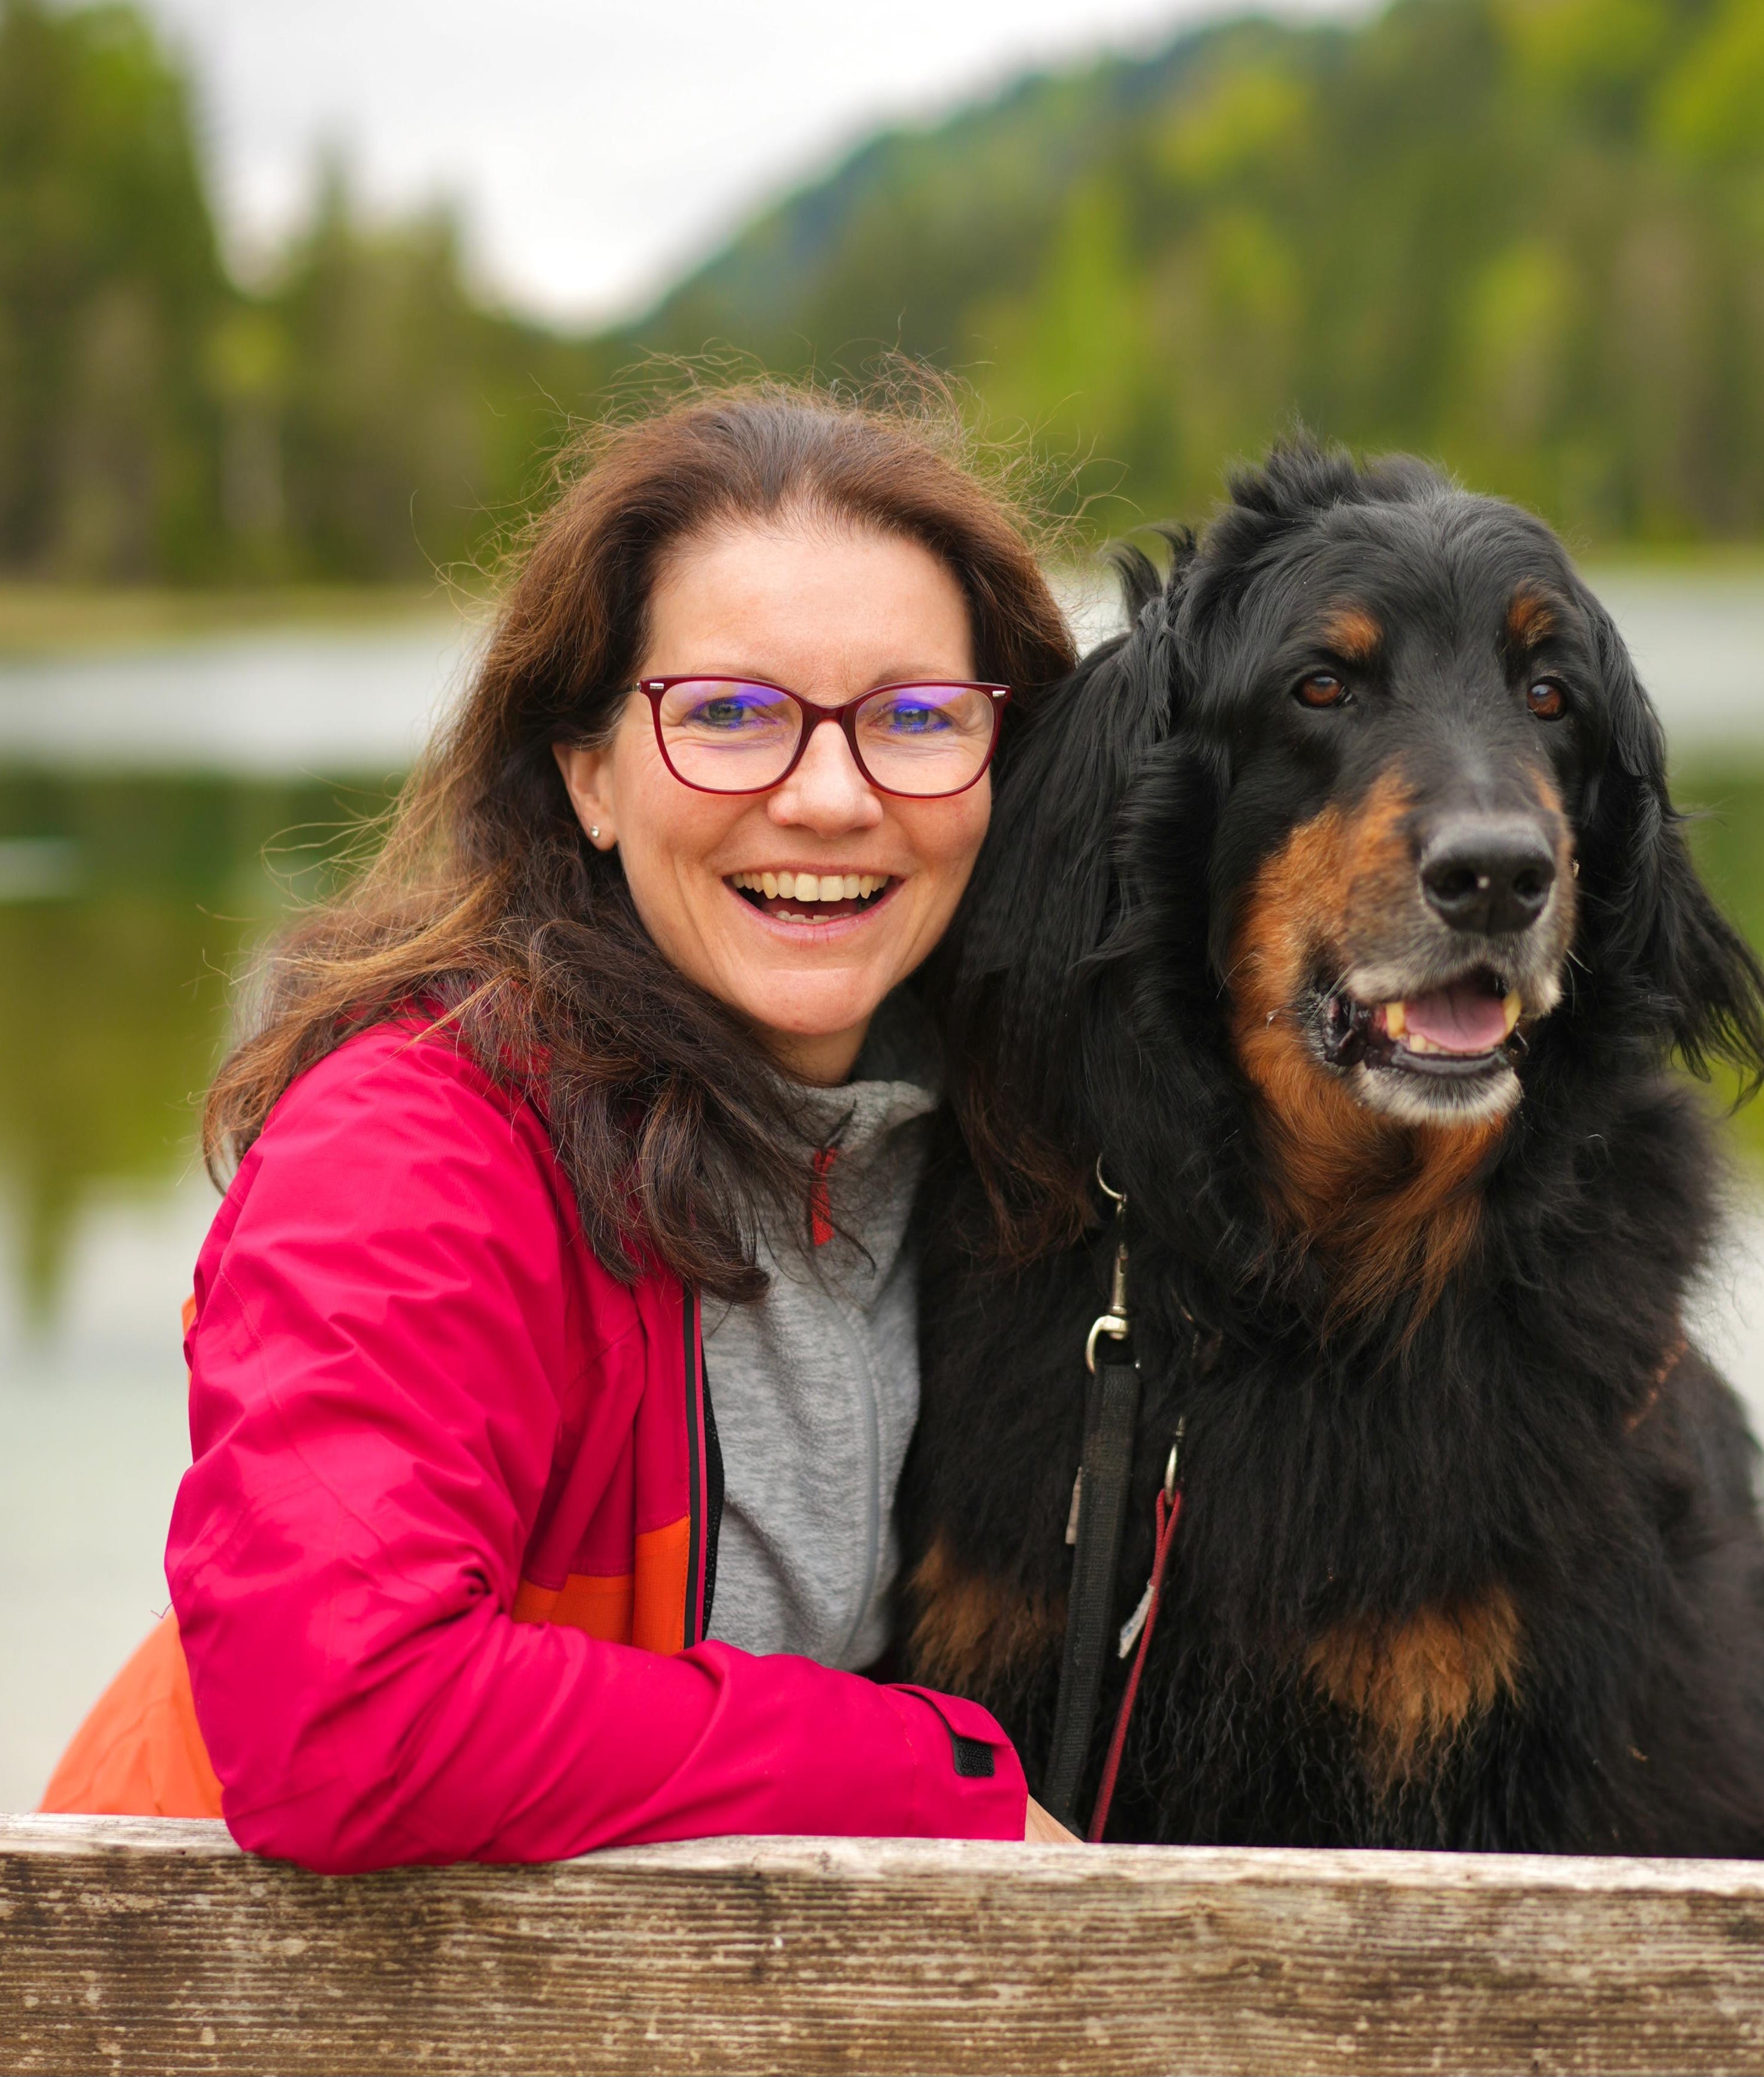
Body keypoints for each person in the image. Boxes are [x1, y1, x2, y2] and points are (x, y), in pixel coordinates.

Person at [41, 383, 1080, 1867]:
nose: (832, 795)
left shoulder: (1001, 1140)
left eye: (917, 718)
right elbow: (341, 1718)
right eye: (729, 715)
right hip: (195, 2005)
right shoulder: (417, 1141)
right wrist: (920, 1780)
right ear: (585, 770)